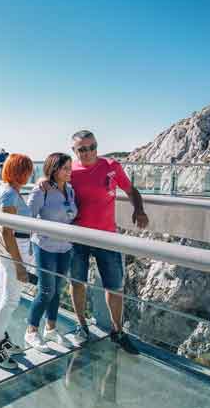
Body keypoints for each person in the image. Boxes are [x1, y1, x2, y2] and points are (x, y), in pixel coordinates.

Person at [66, 130, 149, 354]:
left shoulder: (111, 166)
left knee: (114, 287)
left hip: (107, 236)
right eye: (82, 149)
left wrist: (139, 210)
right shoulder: (69, 171)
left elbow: (131, 190)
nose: (88, 152)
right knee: (77, 283)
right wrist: (44, 181)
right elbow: (50, 182)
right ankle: (82, 326)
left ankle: (118, 331)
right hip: (77, 237)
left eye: (92, 147)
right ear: (74, 151)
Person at [0, 153, 35, 370]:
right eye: (28, 170)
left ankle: (0, 337)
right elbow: (7, 231)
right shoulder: (9, 194)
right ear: (20, 172)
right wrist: (19, 265)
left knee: (3, 295)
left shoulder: (7, 190)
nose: (30, 174)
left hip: (12, 250)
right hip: (16, 251)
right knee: (11, 299)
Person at [25, 153, 77, 352]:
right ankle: (31, 331)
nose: (69, 172)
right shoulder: (42, 190)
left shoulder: (70, 190)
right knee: (46, 290)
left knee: (57, 289)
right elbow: (28, 217)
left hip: (65, 247)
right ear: (54, 169)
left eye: (70, 168)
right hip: (45, 247)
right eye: (65, 168)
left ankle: (51, 329)